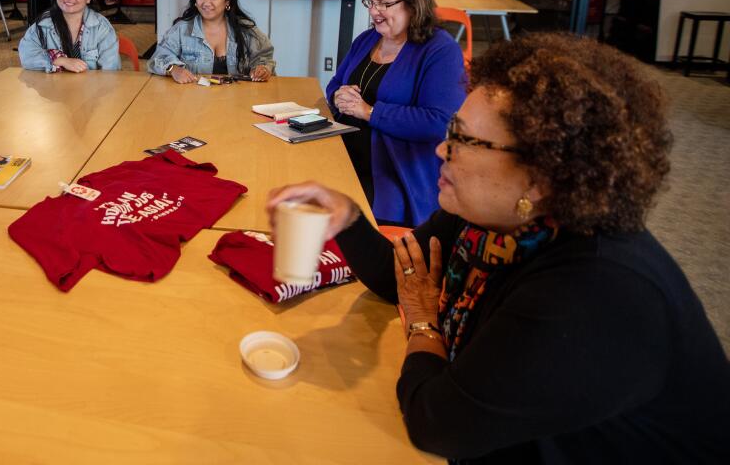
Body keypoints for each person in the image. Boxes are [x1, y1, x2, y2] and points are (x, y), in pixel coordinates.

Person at [268, 34, 730, 463]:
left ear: (542, 175)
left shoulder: (597, 291)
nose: (440, 151)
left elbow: (439, 425)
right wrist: (346, 216)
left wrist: (425, 323)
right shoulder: (488, 213)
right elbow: (400, 278)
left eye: (465, 141)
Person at [326, 0, 465, 225]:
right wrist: (337, 96)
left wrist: (370, 112)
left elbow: (438, 122)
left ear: (413, 4)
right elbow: (335, 83)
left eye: (385, 3)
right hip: (344, 160)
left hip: (393, 177)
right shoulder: (367, 39)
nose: (374, 12)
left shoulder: (440, 50)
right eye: (371, 2)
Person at [150, 0, 275, 82]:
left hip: (238, 99)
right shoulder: (181, 29)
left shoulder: (246, 29)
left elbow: (264, 57)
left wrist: (262, 68)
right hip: (193, 100)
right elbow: (157, 58)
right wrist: (173, 69)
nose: (206, 3)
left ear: (227, 0)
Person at [18, 0, 120, 72]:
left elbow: (110, 71)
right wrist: (60, 60)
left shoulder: (101, 27)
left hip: (92, 87)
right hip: (53, 87)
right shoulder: (42, 24)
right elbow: (26, 56)